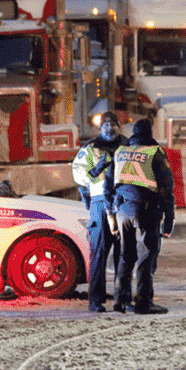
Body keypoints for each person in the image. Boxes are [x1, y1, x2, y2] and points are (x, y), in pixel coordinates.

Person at [105, 118, 175, 315]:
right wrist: (169, 220)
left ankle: (120, 301)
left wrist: (111, 215)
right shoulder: (154, 153)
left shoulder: (120, 153)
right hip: (146, 210)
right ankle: (144, 303)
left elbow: (108, 187)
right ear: (149, 133)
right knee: (146, 256)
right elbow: (166, 190)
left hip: (122, 211)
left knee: (125, 256)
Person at [72, 111, 127, 313]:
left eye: (113, 124)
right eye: (105, 124)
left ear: (119, 126)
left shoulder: (129, 146)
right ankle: (96, 300)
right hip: (100, 203)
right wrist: (94, 172)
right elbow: (78, 173)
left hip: (123, 203)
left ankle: (123, 299)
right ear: (99, 127)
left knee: (124, 255)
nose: (109, 128)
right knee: (99, 253)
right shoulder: (89, 148)